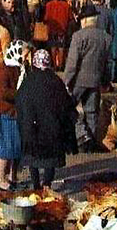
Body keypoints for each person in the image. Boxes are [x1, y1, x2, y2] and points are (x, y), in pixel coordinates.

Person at [16, 49, 78, 190]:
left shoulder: (28, 81)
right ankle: (47, 183)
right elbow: (66, 104)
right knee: (51, 160)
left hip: (32, 131)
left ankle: (36, 183)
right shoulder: (56, 81)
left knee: (33, 159)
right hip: (52, 130)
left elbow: (20, 103)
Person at [63, 6, 111, 152]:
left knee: (68, 108)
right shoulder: (106, 37)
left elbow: (72, 62)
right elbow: (106, 62)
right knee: (91, 111)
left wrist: (66, 81)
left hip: (78, 80)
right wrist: (105, 80)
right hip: (95, 80)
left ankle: (82, 135)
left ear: (83, 20)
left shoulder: (79, 36)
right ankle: (91, 141)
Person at [0, 40, 28, 191]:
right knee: (5, 148)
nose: (26, 58)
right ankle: (1, 178)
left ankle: (13, 176)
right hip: (5, 112)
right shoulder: (3, 69)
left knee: (15, 148)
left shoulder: (19, 67)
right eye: (24, 54)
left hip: (15, 112)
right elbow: (3, 93)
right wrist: (21, 94)